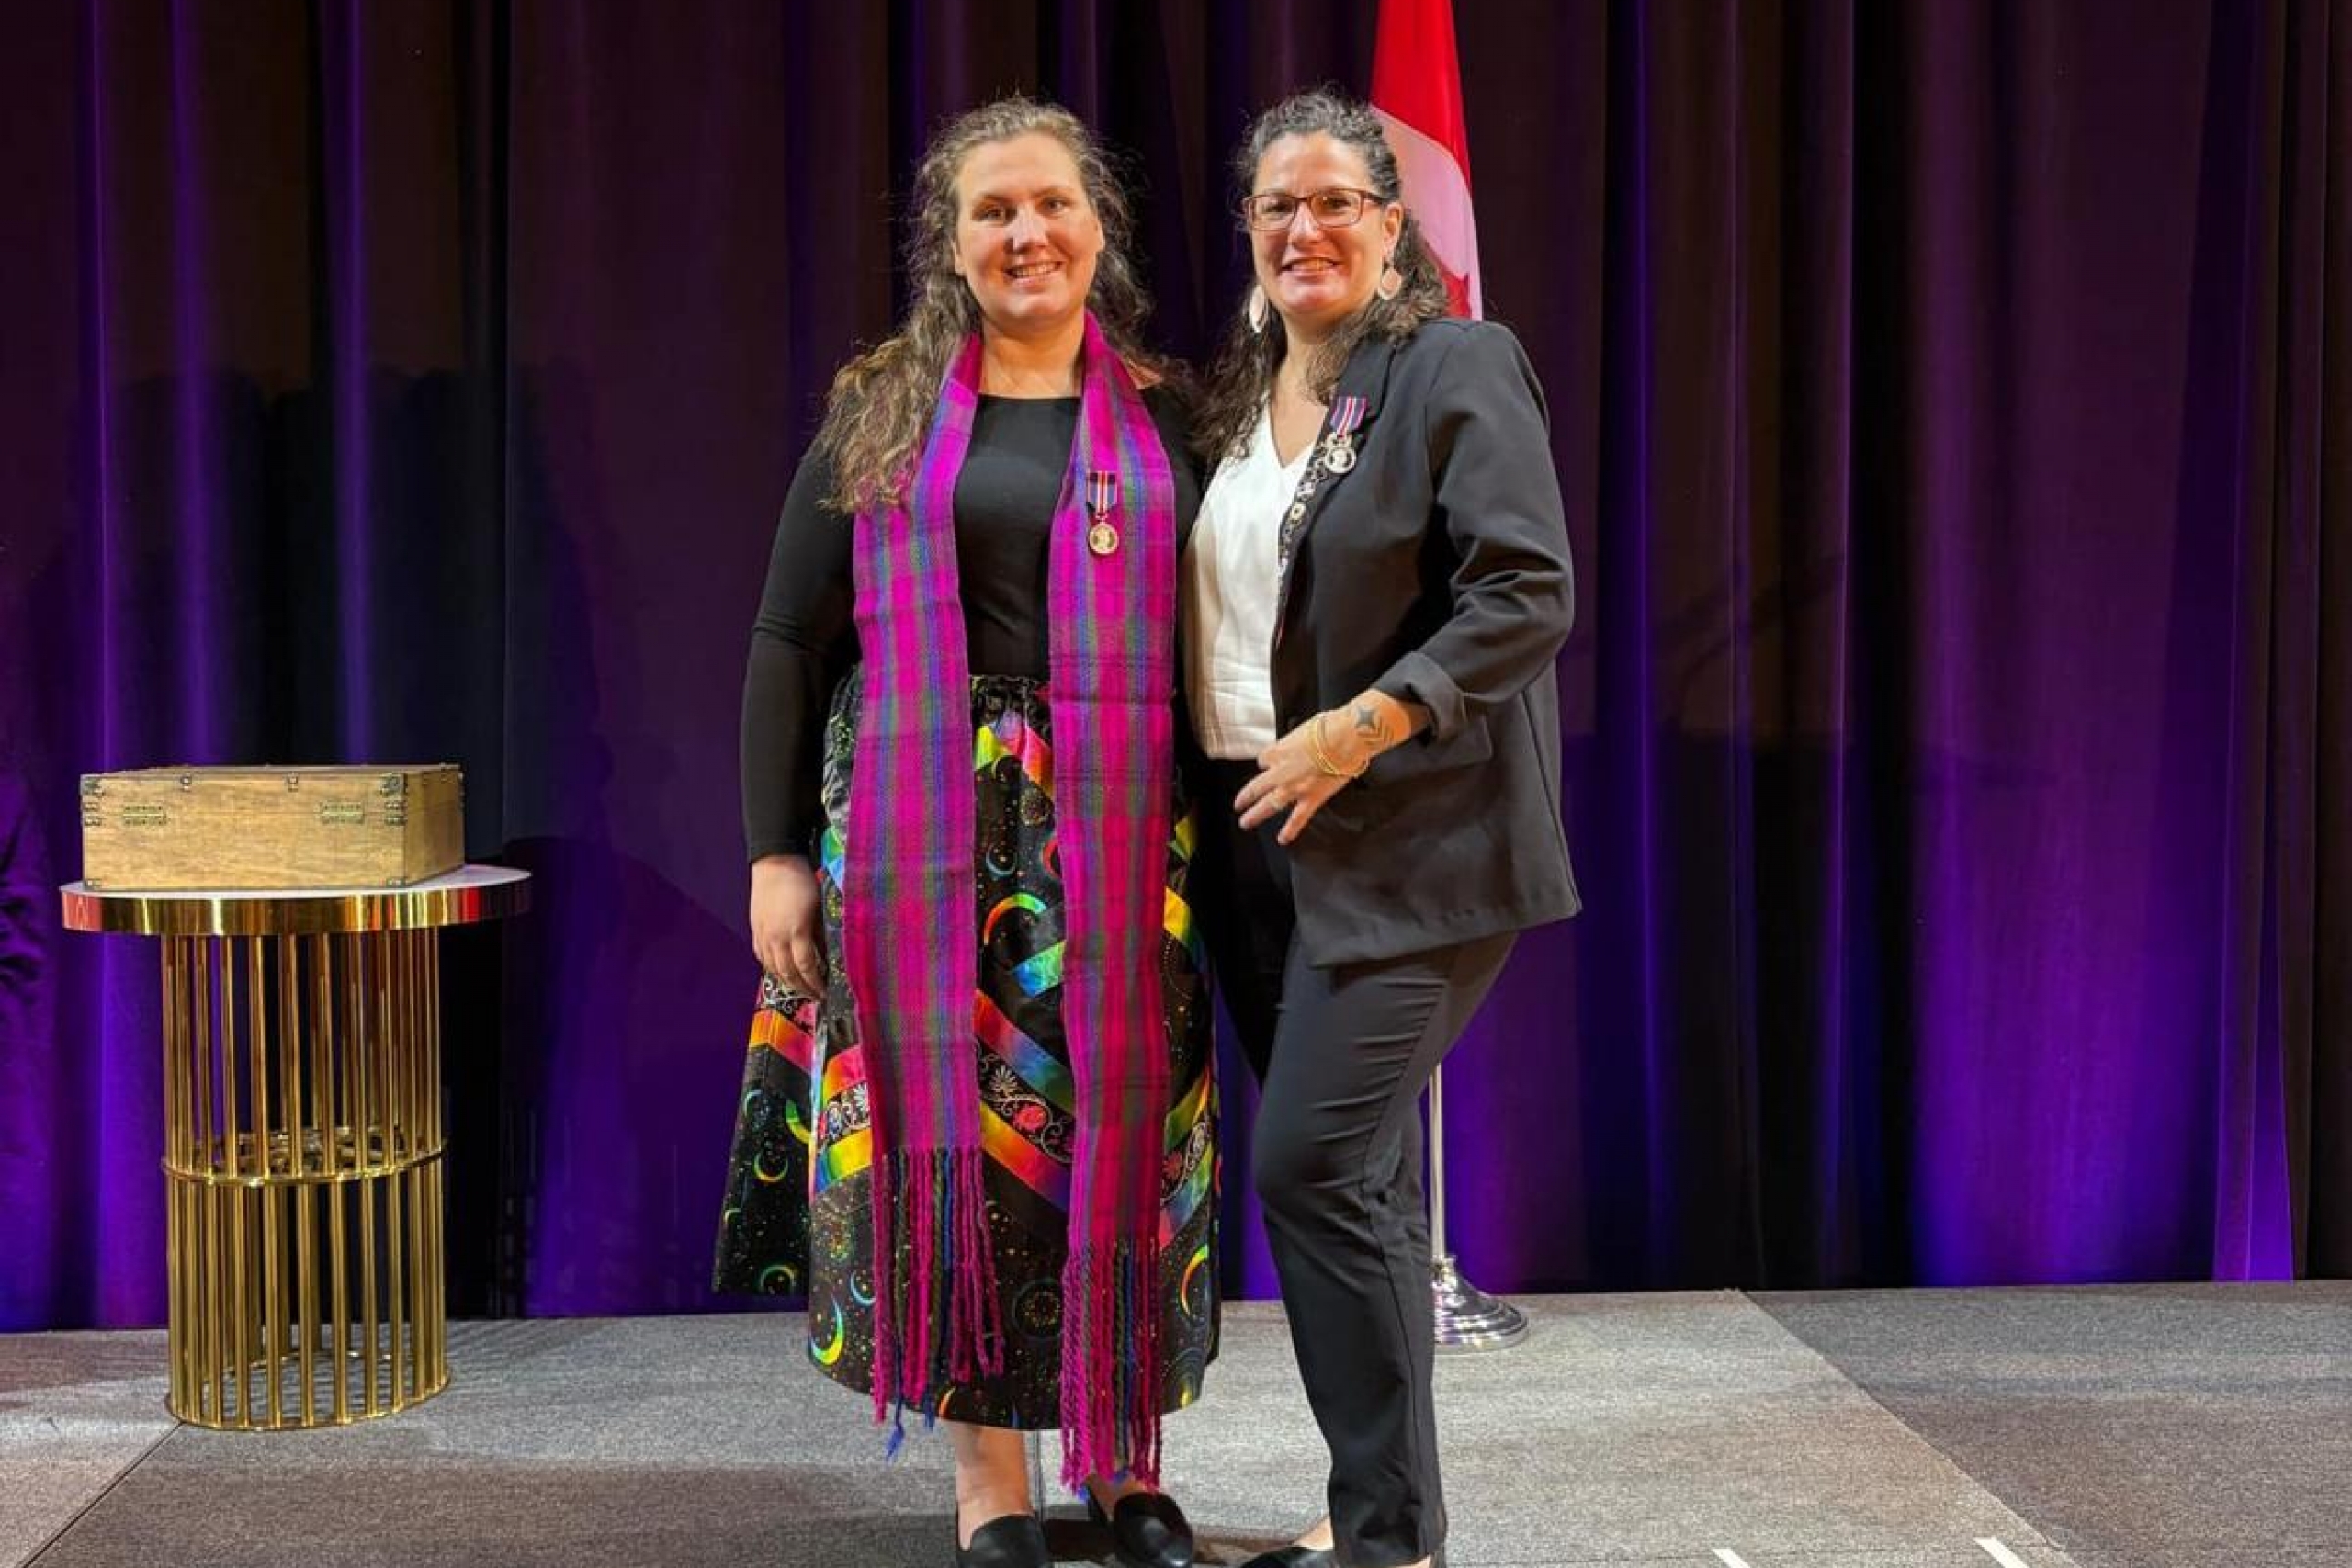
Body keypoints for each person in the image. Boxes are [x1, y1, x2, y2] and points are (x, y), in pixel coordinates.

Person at [715, 96, 1216, 1568]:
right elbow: (785, 642)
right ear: (951, 242)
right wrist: (774, 855)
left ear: (1098, 225)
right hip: (921, 849)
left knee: (1132, 1142)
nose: (1026, 233)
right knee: (967, 1165)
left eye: (1050, 203)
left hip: (1125, 853)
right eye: (992, 211)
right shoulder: (880, 409)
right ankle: (990, 1482)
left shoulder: (1171, 418)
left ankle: (1126, 1464)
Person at [1183, 90, 1579, 1568]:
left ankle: (1382, 1536)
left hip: (1413, 845)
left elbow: (1528, 589)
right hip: (1249, 848)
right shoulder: (1225, 408)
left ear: (1391, 225)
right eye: (1279, 206)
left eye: (1338, 200)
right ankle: (1390, 1527)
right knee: (1369, 1183)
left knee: (1311, 1167)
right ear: (1250, 229)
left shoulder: (1451, 367)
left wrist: (1370, 722)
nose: (1307, 229)